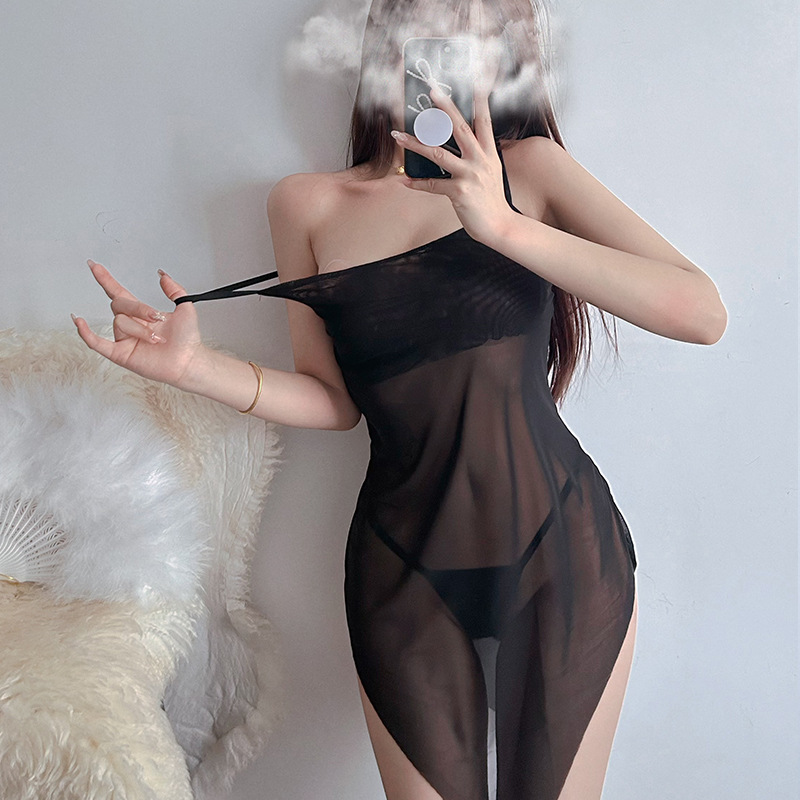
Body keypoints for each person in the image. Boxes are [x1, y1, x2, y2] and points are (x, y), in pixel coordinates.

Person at [72, 1, 727, 798]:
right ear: (385, 34)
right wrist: (196, 370)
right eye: (433, 12)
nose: (455, 34)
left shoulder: (533, 171)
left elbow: (702, 313)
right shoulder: (306, 204)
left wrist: (504, 228)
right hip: (403, 568)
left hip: (560, 550)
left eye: (482, 24)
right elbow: (333, 399)